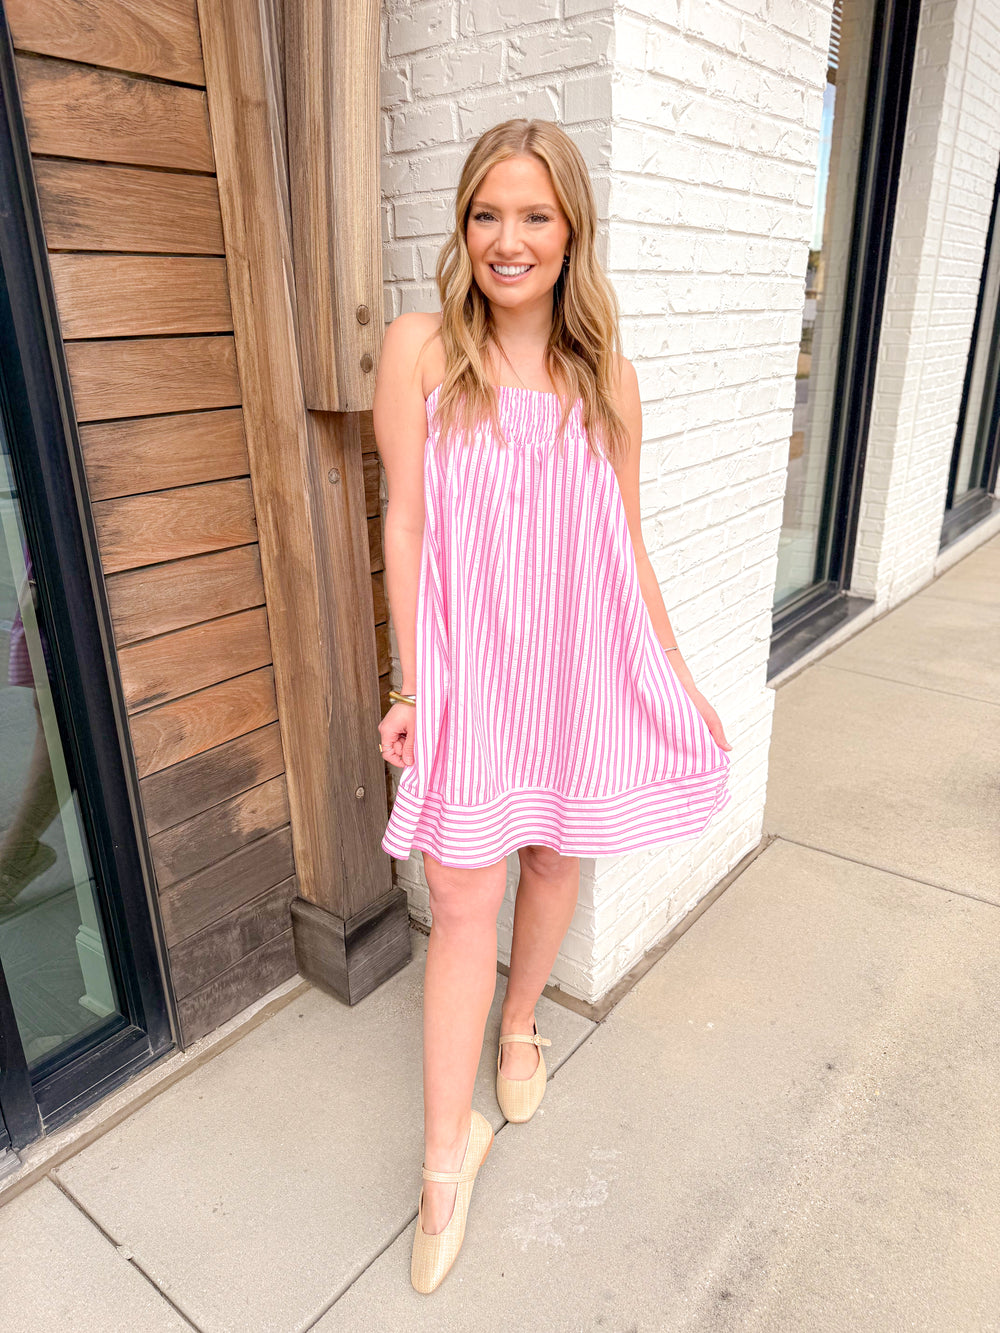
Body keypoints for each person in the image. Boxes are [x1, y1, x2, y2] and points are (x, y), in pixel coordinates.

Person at [372, 118, 733, 1294]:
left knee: (554, 858)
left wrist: (676, 672)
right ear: (463, 227)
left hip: (577, 672)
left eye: (533, 215)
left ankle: (520, 1020)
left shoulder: (605, 379)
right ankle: (444, 1158)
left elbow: (625, 544)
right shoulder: (422, 351)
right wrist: (409, 683)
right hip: (471, 679)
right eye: (486, 214)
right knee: (460, 898)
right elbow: (404, 525)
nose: (507, 239)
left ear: (571, 229)